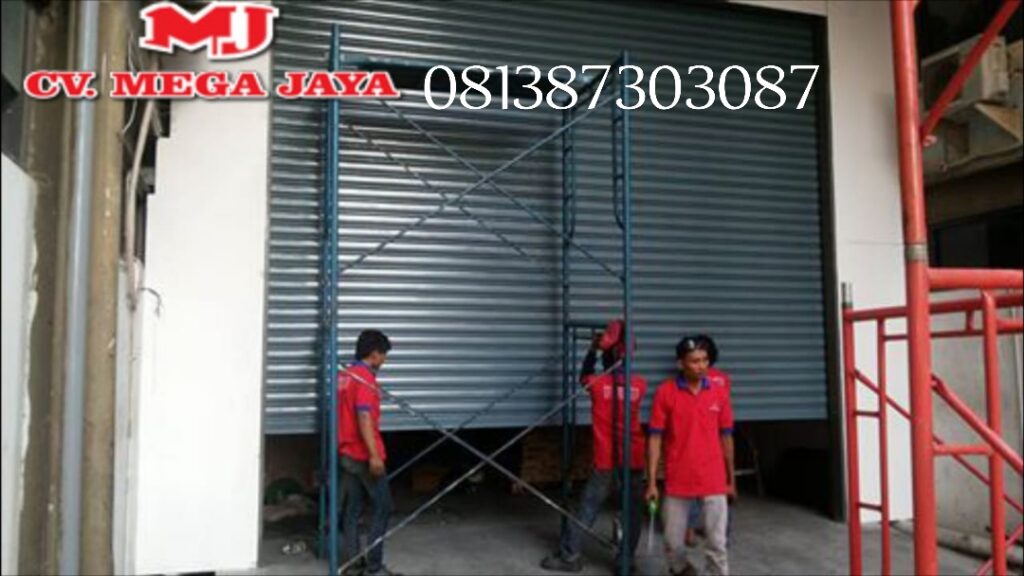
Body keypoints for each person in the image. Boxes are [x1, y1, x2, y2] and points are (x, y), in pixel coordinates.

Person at [541, 318, 648, 573]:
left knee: (588, 506)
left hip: (606, 459)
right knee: (632, 511)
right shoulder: (639, 384)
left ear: (607, 358)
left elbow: (583, 375)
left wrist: (592, 350)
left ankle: (570, 557)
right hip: (633, 455)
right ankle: (625, 562)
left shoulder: (597, 384)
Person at [646, 336, 735, 576]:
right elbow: (655, 438)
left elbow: (727, 437)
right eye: (694, 361)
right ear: (681, 364)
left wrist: (731, 479)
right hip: (678, 477)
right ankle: (682, 570)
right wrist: (652, 482)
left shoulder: (719, 392)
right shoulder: (665, 392)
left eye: (705, 360)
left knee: (717, 543)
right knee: (672, 542)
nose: (701, 366)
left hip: (713, 477)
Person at [338, 329, 396, 576]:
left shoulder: (344, 376)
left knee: (353, 508)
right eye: (383, 355)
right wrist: (374, 455)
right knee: (384, 507)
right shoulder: (364, 378)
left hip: (346, 452)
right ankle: (374, 567)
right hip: (362, 454)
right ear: (374, 354)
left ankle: (353, 563)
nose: (384, 360)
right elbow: (363, 416)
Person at [684, 334, 733, 547]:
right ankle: (719, 532)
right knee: (715, 487)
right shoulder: (722, 379)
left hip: (696, 440)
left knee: (693, 488)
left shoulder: (692, 376)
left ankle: (690, 531)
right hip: (715, 439)